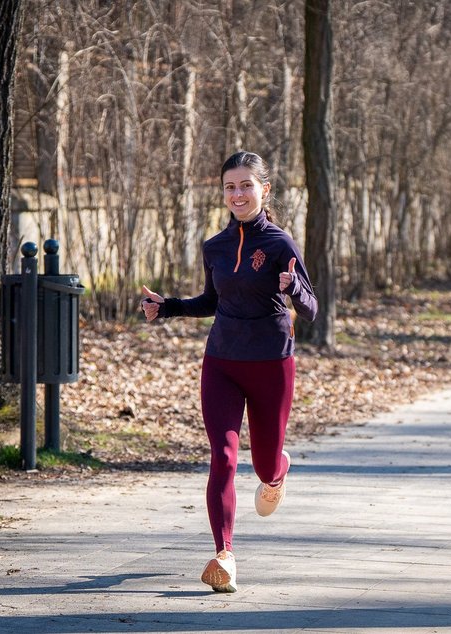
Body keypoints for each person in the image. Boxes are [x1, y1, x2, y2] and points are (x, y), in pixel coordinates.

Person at [140, 151, 318, 593]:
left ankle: (278, 471)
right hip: (221, 362)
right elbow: (212, 302)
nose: (237, 194)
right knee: (222, 458)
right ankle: (224, 555)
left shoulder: (280, 244)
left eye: (245, 186)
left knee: (262, 465)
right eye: (229, 187)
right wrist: (168, 308)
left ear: (264, 189)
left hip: (271, 364)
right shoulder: (214, 246)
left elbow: (312, 310)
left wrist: (293, 287)